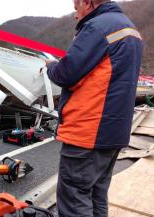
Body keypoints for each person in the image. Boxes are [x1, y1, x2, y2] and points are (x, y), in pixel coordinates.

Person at [46, 0, 143, 216]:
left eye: (76, 7)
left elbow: (66, 74)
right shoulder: (130, 29)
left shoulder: (98, 27)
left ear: (88, 3)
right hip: (114, 131)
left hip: (88, 131)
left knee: (74, 201)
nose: (75, 15)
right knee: (96, 195)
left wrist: (51, 66)